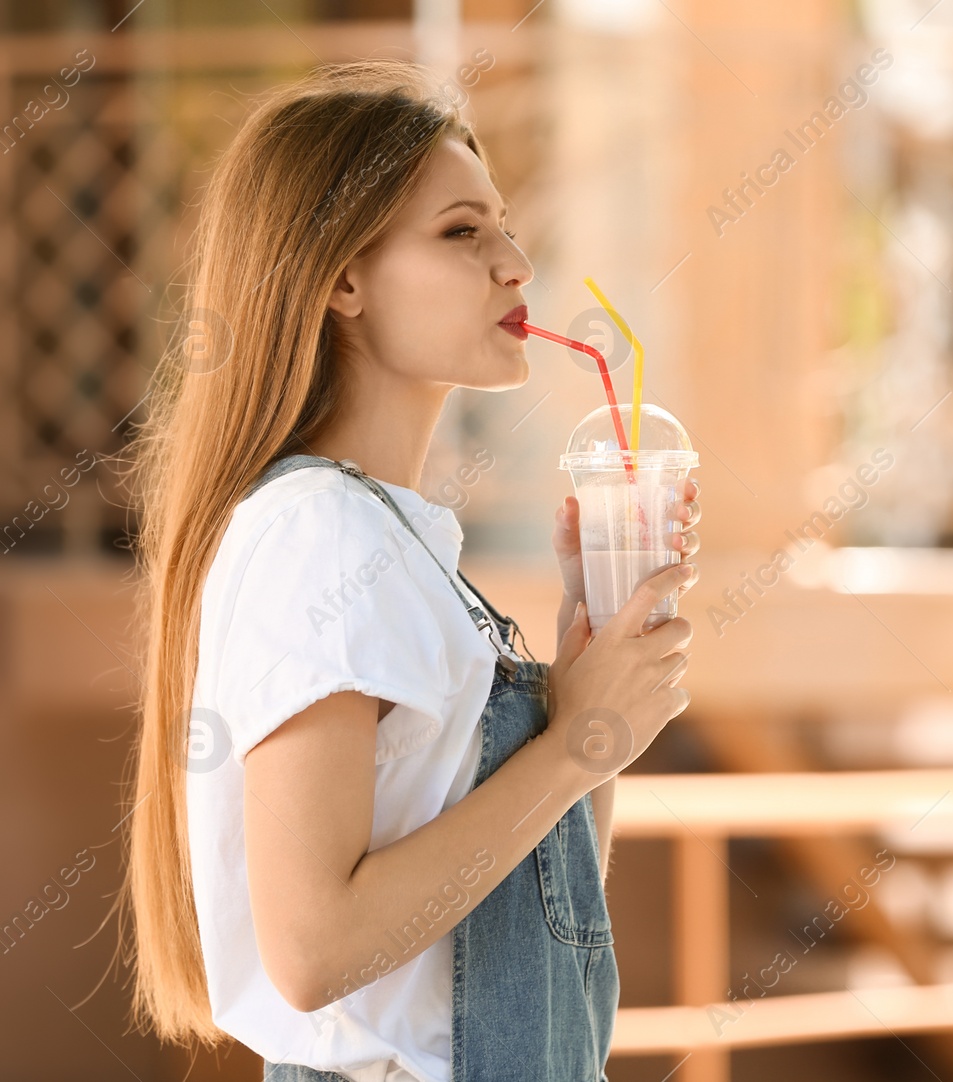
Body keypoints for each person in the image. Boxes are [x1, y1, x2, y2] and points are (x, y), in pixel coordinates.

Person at [116, 60, 700, 1082]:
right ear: (341, 279)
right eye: (462, 232)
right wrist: (568, 747)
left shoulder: (396, 537)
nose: (517, 262)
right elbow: (315, 949)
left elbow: (535, 903)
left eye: (505, 226)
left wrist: (586, 685)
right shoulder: (322, 536)